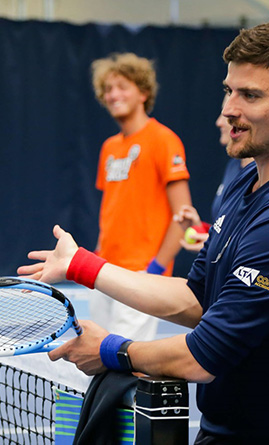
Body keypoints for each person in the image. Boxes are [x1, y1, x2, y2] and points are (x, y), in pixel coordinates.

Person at [19, 21, 269, 443]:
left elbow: (201, 357)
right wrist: (82, 265)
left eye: (250, 95)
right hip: (222, 429)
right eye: (229, 90)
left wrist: (109, 351)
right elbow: (197, 298)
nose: (229, 108)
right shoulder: (242, 185)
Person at [89, 52, 193, 341]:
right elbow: (111, 208)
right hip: (104, 271)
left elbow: (183, 214)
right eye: (108, 89)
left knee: (124, 366)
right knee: (97, 361)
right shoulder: (109, 147)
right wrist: (98, 257)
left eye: (122, 86)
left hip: (140, 275)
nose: (113, 95)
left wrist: (155, 269)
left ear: (143, 92)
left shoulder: (163, 140)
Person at [179, 97, 253, 252]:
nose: (219, 122)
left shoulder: (264, 174)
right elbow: (227, 229)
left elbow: (259, 242)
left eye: (226, 116)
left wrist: (216, 243)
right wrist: (202, 229)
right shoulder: (233, 165)